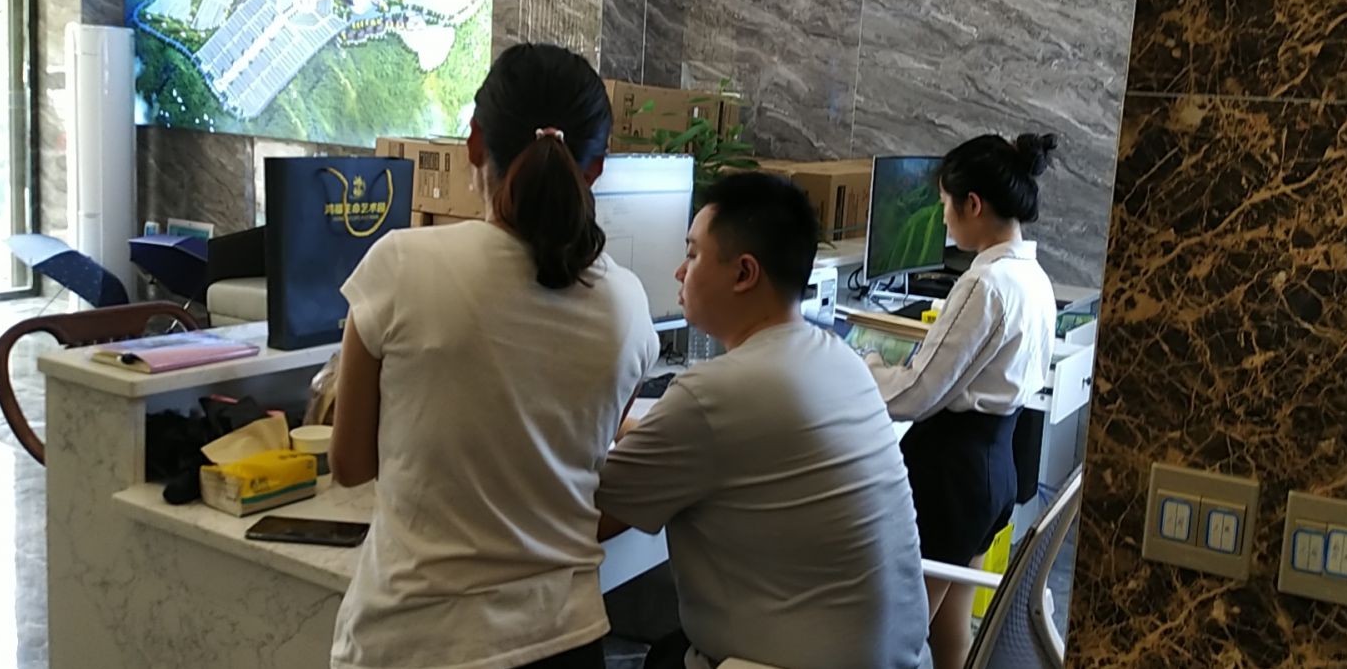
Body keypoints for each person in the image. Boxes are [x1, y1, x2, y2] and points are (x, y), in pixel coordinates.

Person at [328, 43, 660, 669]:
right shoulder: (628, 306)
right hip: (565, 641)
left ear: (475, 143)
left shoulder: (400, 266)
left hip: (417, 645)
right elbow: (592, 453)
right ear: (596, 168)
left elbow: (349, 464)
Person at [596, 172, 929, 669]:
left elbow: (588, 518)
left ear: (744, 273)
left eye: (692, 255)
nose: (678, 272)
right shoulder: (838, 358)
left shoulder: (713, 395)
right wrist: (634, 431)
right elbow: (736, 446)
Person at [866, 134, 1060, 669]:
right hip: (995, 471)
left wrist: (862, 367)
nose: (943, 220)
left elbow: (915, 393)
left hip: (949, 476)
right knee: (950, 630)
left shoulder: (985, 284)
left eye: (945, 205)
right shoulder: (1034, 277)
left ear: (973, 204)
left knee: (898, 637)